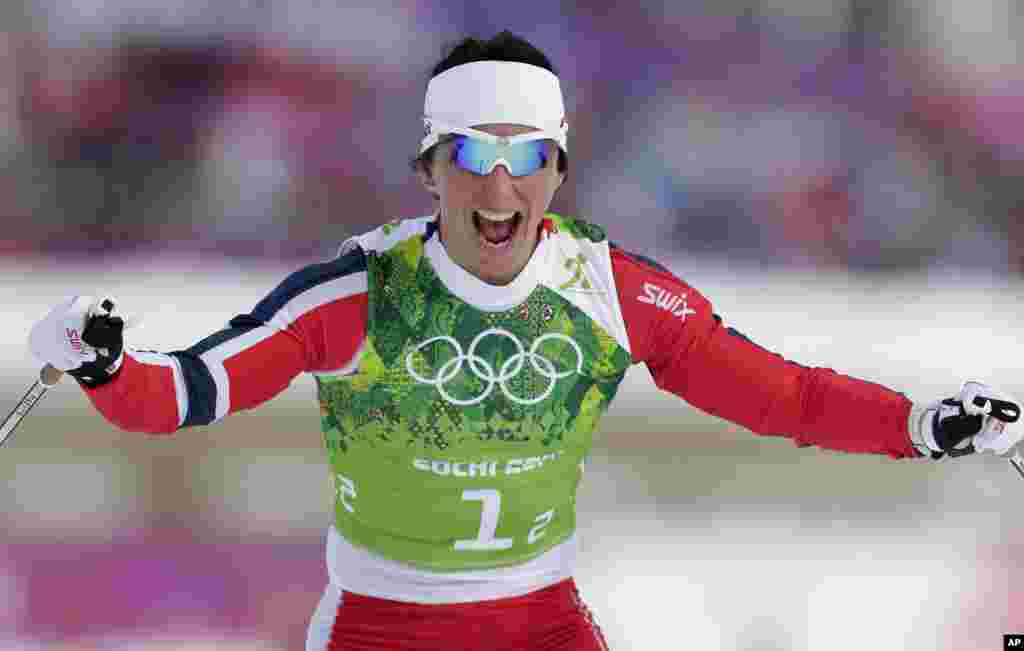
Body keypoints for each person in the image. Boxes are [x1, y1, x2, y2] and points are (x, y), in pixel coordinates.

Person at [27, 32, 1024, 651]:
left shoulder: (608, 291)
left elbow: (783, 396)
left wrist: (920, 425)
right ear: (429, 170)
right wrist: (104, 363)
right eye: (470, 156)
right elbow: (187, 393)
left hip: (537, 623)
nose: (498, 191)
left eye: (525, 160)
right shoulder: (358, 293)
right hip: (383, 626)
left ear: (557, 170)